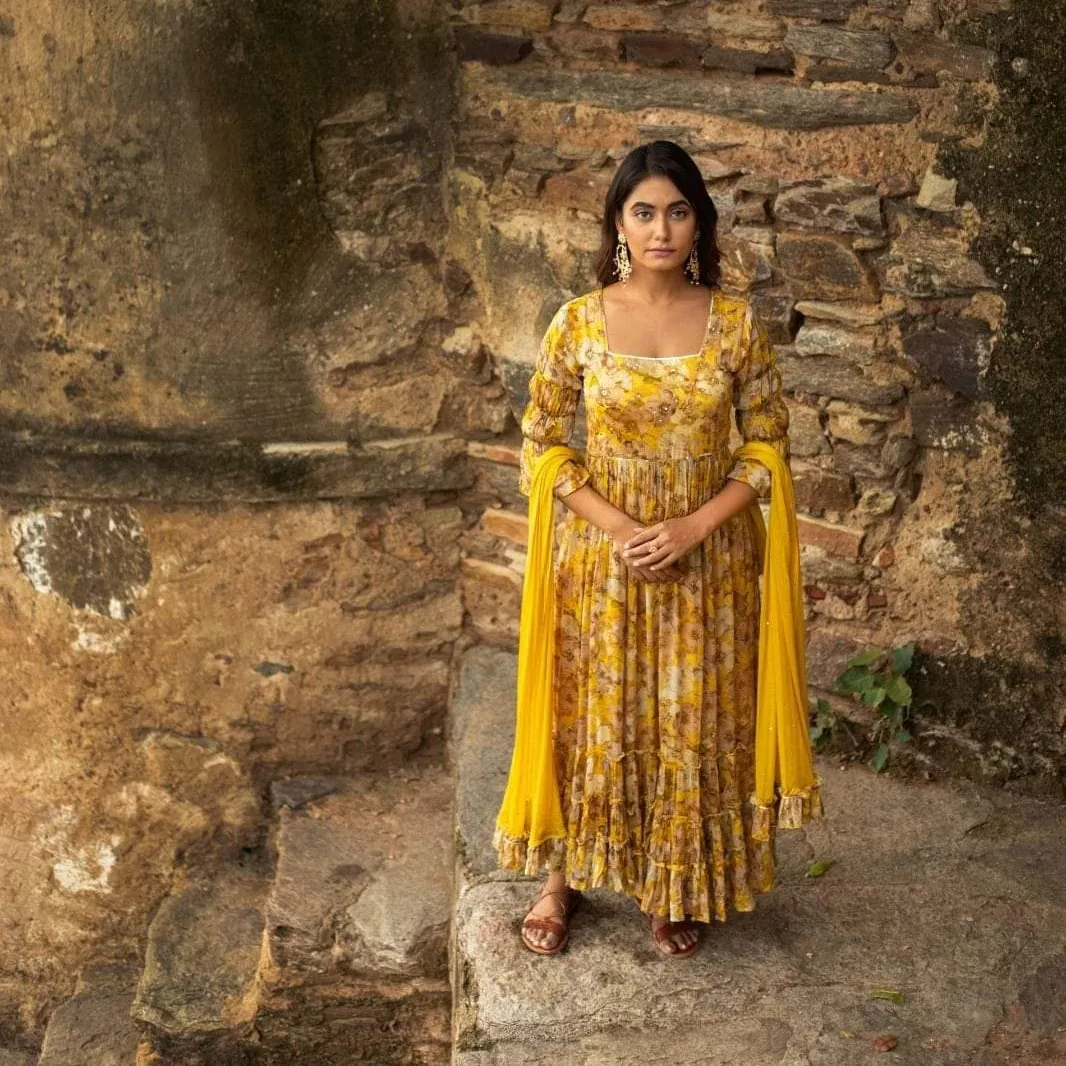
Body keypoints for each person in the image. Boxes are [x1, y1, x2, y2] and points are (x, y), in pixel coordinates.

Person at [494, 140, 819, 959]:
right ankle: (557, 881)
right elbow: (539, 441)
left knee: (691, 723)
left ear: (700, 223)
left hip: (708, 566)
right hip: (601, 564)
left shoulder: (735, 325)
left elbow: (769, 446)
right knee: (590, 716)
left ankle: (675, 883)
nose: (661, 228)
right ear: (618, 222)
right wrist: (618, 528)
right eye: (644, 211)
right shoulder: (578, 321)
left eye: (678, 211)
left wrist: (693, 527)